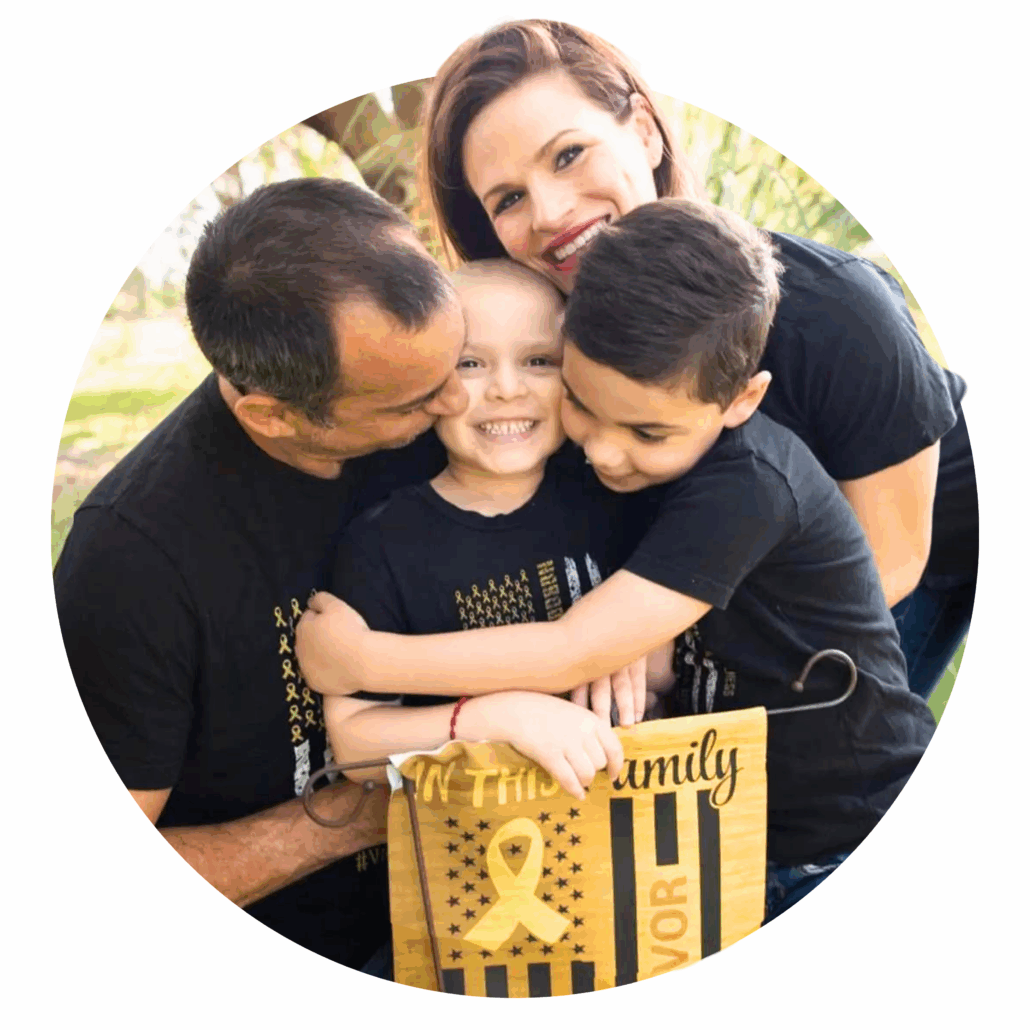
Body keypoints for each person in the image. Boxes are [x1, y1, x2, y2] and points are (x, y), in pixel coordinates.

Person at [296, 199, 937, 921]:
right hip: (699, 836)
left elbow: (574, 647)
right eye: (582, 404)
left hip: (847, 825)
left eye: (644, 431)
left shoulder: (750, 486)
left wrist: (364, 662)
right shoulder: (608, 476)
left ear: (743, 400)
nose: (604, 451)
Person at [419, 17, 978, 700]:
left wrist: (650, 635)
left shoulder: (834, 313)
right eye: (508, 198)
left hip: (899, 556)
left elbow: (888, 564)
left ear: (646, 131)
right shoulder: (535, 336)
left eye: (568, 155)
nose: (551, 211)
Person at [53, 177, 469, 969]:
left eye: (462, 354)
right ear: (272, 415)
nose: (461, 401)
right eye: (414, 401)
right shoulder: (131, 565)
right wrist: (370, 809)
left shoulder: (444, 391)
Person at [324, 259, 674, 800]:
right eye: (470, 363)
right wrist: (500, 716)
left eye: (538, 360)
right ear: (429, 384)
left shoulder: (617, 494)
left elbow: (666, 667)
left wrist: (627, 638)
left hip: (637, 818)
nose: (506, 389)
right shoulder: (383, 543)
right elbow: (353, 744)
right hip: (476, 847)